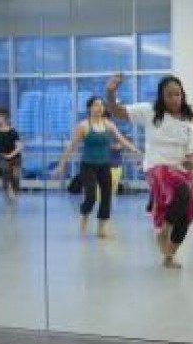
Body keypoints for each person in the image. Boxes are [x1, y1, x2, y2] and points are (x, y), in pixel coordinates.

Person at [105, 74, 193, 268]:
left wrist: (192, 161)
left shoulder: (189, 120)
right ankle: (163, 228)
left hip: (180, 170)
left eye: (178, 94)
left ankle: (169, 255)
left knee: (187, 214)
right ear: (161, 96)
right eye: (170, 95)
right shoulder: (149, 112)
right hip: (157, 168)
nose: (175, 99)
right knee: (181, 191)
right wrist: (110, 92)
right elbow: (118, 111)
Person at [53, 96, 139, 238]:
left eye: (101, 106)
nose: (99, 108)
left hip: (105, 165)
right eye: (96, 105)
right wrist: (61, 165)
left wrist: (133, 149)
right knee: (91, 197)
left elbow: (121, 139)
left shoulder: (109, 124)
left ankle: (101, 228)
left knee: (106, 197)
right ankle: (84, 215)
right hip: (88, 166)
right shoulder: (83, 126)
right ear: (89, 108)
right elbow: (71, 146)